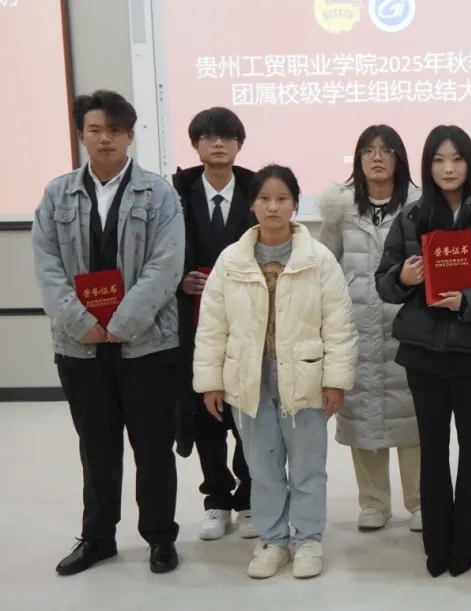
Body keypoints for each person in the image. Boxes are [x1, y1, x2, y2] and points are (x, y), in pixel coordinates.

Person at [32, 90, 185, 575]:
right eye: (95, 129)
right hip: (79, 347)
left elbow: (166, 264)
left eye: (115, 130)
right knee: (96, 449)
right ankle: (98, 538)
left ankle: (160, 537)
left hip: (147, 345)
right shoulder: (57, 194)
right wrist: (81, 322)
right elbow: (47, 265)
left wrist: (122, 322)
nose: (105, 139)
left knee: (153, 448)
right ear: (81, 134)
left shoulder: (158, 193)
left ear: (130, 135)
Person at [193, 165, 359, 579]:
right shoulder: (231, 260)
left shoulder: (318, 259)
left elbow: (338, 324)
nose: (273, 207)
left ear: (295, 204)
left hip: (305, 381)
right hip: (248, 382)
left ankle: (308, 539)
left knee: (307, 467)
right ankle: (272, 540)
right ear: (251, 204)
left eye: (282, 199)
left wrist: (336, 381)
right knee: (262, 468)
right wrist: (210, 381)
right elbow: (212, 326)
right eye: (264, 198)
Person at [375, 125, 471, 578]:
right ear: (427, 166)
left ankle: (469, 543)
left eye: (457, 159)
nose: (448, 168)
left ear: (470, 164)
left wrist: (467, 302)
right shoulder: (410, 218)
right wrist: (403, 279)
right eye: (438, 160)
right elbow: (384, 283)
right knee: (433, 451)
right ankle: (437, 544)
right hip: (423, 354)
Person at [317, 125, 423, 533]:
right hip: (356, 326)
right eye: (368, 151)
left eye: (386, 150)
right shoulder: (340, 208)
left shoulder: (419, 204)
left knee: (413, 416)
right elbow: (326, 265)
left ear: (400, 159)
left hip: (406, 324)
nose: (377, 158)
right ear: (358, 159)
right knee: (362, 414)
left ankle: (420, 501)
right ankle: (373, 503)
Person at [172, 107, 259, 541]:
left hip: (248, 319)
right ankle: (217, 500)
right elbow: (158, 249)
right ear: (195, 145)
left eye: (227, 136)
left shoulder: (258, 188)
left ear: (239, 143)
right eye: (208, 137)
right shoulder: (175, 192)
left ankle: (249, 498)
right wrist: (179, 280)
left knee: (248, 411)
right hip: (194, 322)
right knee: (205, 411)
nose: (218, 144)